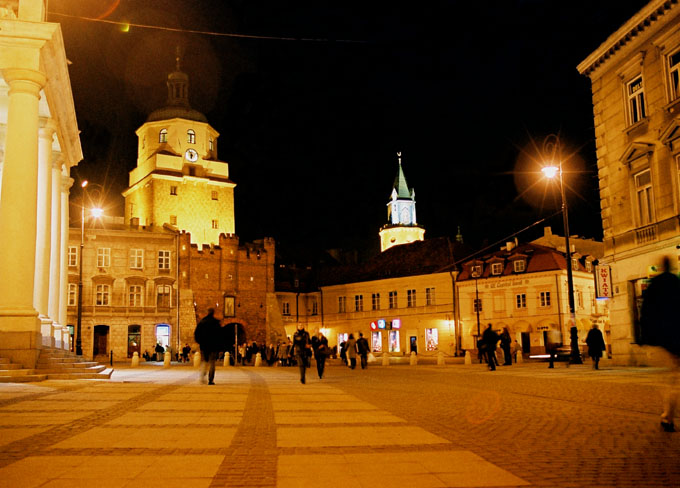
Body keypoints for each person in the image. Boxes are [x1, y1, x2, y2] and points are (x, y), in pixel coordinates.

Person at [639, 256, 680, 432]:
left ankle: (668, 417)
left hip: (661, 341)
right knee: (673, 380)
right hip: (676, 338)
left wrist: (645, 338)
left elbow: (645, 313)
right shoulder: (677, 284)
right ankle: (667, 416)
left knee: (671, 380)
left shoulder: (653, 286)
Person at [194, 308, 222, 385]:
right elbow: (220, 336)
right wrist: (219, 346)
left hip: (204, 345)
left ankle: (202, 376)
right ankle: (211, 380)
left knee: (204, 361)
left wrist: (199, 342)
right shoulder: (216, 323)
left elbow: (196, 333)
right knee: (212, 362)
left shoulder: (202, 322)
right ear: (213, 313)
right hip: (213, 346)